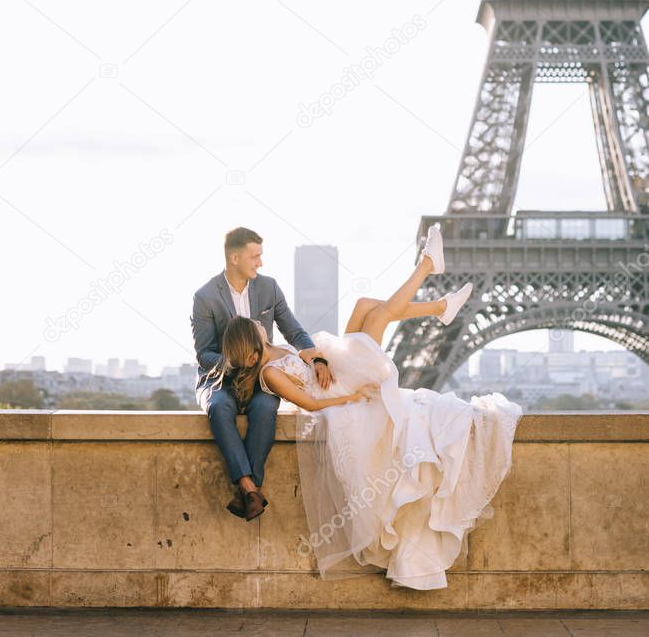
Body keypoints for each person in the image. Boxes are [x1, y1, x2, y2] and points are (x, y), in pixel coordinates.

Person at [216, 223, 524, 590]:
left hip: (333, 367)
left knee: (365, 305)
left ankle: (441, 305)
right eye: (253, 324)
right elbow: (312, 404)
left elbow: (309, 353)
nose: (259, 322)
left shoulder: (277, 349)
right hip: (340, 388)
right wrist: (353, 395)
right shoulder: (271, 372)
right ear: (252, 338)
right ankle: (427, 268)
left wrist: (317, 360)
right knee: (376, 317)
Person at [190, 226, 334, 522]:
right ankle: (249, 486)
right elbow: (203, 353)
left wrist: (316, 357)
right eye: (255, 256)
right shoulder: (205, 296)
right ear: (234, 257)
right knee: (219, 408)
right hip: (220, 377)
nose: (260, 262)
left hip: (260, 379)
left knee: (265, 408)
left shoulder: (269, 288)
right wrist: (237, 363)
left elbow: (293, 330)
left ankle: (248, 490)